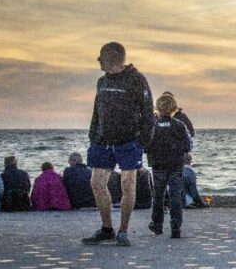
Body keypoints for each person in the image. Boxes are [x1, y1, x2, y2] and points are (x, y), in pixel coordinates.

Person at [81, 41, 155, 247]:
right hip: (102, 141)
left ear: (113, 57)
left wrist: (143, 141)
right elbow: (96, 111)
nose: (98, 60)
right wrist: (93, 134)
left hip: (129, 141)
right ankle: (107, 229)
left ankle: (123, 230)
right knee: (96, 183)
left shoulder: (136, 79)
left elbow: (148, 112)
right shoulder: (101, 82)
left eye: (101, 56)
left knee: (127, 184)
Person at [146, 93, 192, 238]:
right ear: (174, 108)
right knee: (175, 195)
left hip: (158, 165)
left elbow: (146, 146)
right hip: (176, 164)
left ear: (157, 108)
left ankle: (157, 224)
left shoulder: (153, 126)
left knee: (158, 195)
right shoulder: (179, 125)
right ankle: (175, 225)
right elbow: (187, 146)